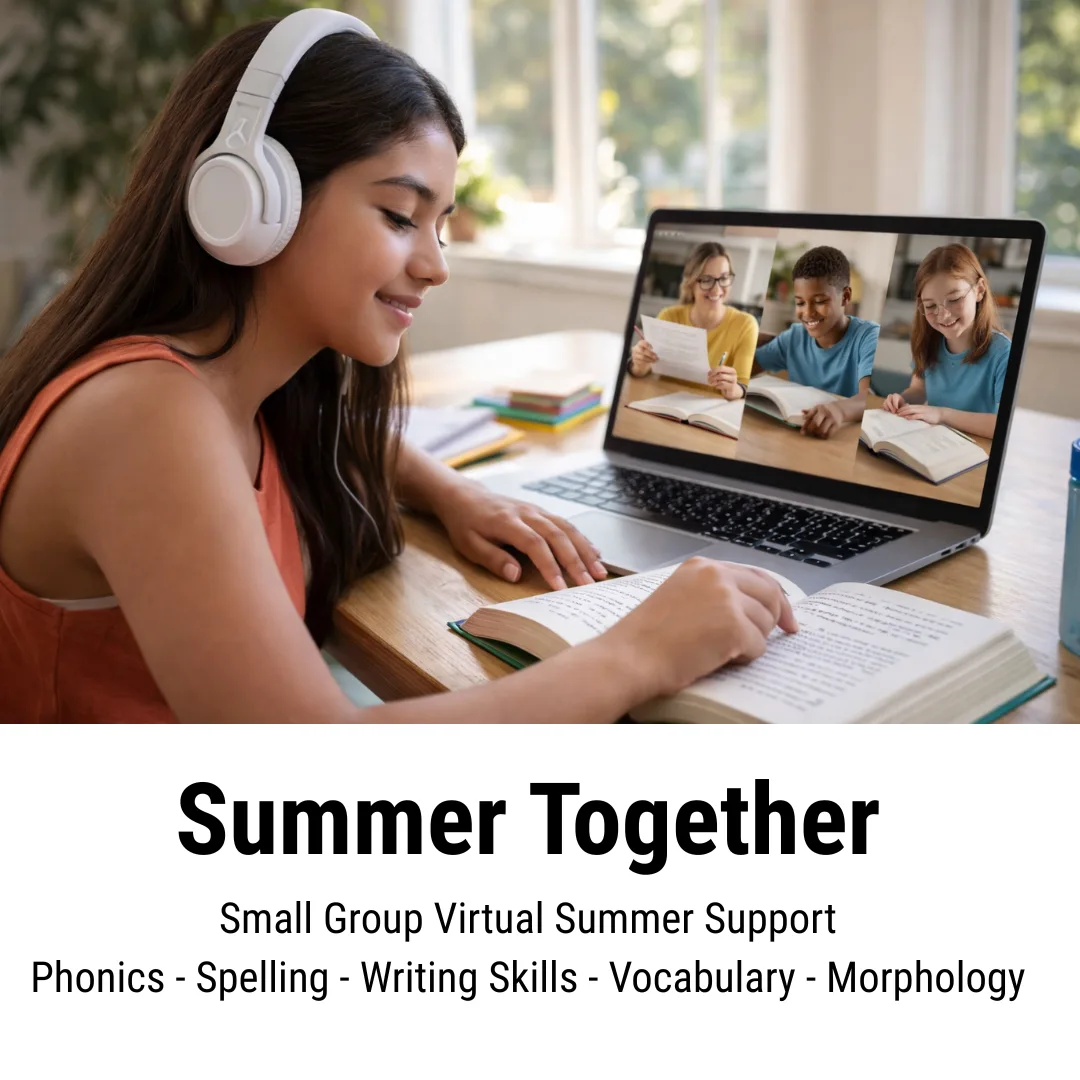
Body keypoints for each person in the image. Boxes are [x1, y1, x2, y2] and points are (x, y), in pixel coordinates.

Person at [0, 11, 795, 723]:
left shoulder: (246, 391)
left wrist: (451, 492)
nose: (435, 264)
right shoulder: (146, 420)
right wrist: (640, 652)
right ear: (251, 198)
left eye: (440, 225)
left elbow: (350, 432)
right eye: (398, 215)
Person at [882, 243, 1010, 440]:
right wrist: (903, 399)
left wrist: (942, 414)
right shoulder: (928, 341)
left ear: (980, 290)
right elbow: (919, 388)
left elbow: (1003, 424)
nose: (943, 315)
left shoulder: (1003, 352)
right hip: (935, 442)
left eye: (954, 299)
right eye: (931, 306)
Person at [754, 246, 879, 438]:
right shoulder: (794, 337)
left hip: (844, 439)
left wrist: (839, 410)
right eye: (800, 302)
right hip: (797, 435)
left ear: (845, 297)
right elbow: (748, 365)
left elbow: (869, 398)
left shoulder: (868, 336)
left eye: (820, 301)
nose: (808, 312)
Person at [628, 241, 758, 400]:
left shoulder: (745, 325)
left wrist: (734, 389)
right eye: (706, 280)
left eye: (724, 278)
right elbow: (642, 372)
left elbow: (743, 387)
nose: (717, 289)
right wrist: (639, 364)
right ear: (691, 283)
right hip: (662, 405)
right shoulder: (669, 317)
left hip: (708, 416)